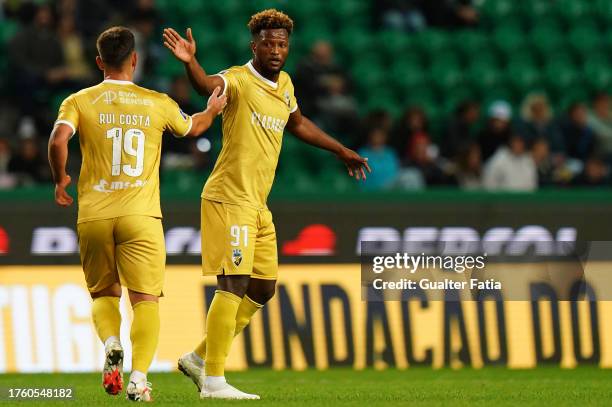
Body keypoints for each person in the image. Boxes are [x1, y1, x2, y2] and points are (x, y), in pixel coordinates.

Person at [162, 9, 370, 400]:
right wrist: (192, 63)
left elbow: (299, 123)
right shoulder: (238, 80)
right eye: (268, 43)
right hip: (228, 197)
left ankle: (198, 358)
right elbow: (208, 83)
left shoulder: (286, 84)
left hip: (257, 203)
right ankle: (214, 382)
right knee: (234, 284)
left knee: (263, 288)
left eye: (282, 44)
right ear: (253, 45)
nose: (275, 50)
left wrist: (341, 150)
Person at [48, 26, 226, 402]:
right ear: (134, 59)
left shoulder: (78, 101)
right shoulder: (156, 101)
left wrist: (60, 180)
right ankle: (139, 378)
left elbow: (58, 140)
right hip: (141, 217)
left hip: (94, 215)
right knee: (145, 302)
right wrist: (211, 110)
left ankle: (112, 342)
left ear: (99, 62)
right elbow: (193, 127)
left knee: (103, 295)